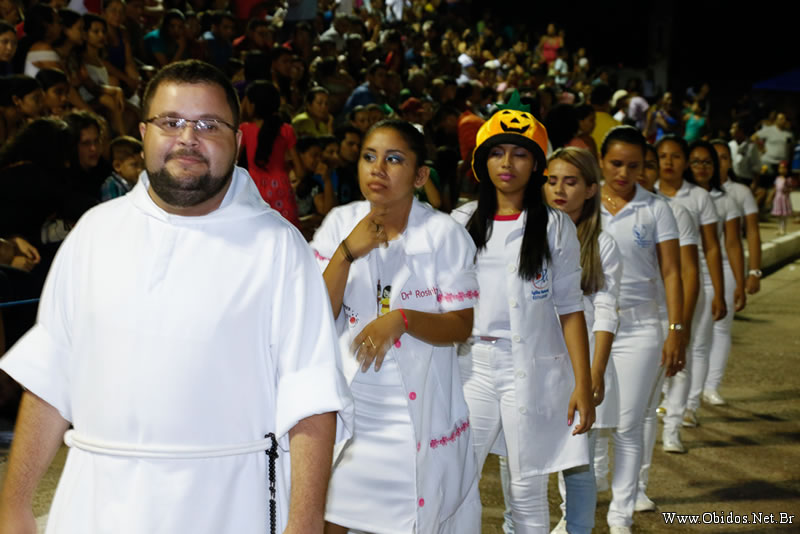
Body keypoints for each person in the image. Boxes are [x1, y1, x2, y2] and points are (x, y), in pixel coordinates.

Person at [0, 59, 353, 534]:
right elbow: (50, 378)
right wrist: (15, 503)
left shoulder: (277, 246)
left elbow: (311, 396)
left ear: (239, 140)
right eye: (171, 122)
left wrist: (305, 524)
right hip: (98, 501)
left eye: (209, 124)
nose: (188, 138)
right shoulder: (95, 233)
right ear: (143, 132)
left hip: (230, 501)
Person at [311, 119, 481, 534]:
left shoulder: (444, 234)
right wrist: (347, 253)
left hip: (411, 421)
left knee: (411, 521)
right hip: (353, 413)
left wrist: (402, 320)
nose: (377, 169)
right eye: (369, 157)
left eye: (394, 159)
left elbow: (461, 325)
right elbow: (313, 315)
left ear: (421, 176)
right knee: (330, 517)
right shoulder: (340, 222)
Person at [451, 100, 594, 532]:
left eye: (519, 153)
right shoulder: (459, 223)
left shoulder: (554, 226)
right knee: (453, 477)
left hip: (527, 370)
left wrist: (583, 385)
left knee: (526, 487)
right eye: (496, 152)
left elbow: (570, 310)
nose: (506, 163)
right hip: (470, 368)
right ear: (481, 162)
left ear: (536, 164)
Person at [599, 126, 684, 534]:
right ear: (601, 162)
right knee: (588, 422)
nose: (623, 172)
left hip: (640, 328)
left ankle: (620, 515)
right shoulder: (580, 202)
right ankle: (573, 510)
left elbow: (671, 270)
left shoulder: (656, 208)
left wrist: (676, 329)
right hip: (591, 326)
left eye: (633, 165)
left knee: (629, 424)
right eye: (616, 163)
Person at [544, 147, 622, 534]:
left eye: (570, 182)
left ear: (591, 189)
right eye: (551, 180)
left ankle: (577, 527)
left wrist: (593, 372)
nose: (559, 189)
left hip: (580, 360)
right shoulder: (528, 235)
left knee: (579, 460)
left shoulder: (601, 243)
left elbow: (607, 309)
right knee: (524, 459)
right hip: (535, 361)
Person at [655, 134, 726, 448]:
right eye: (662, 156)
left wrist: (719, 289)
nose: (668, 163)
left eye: (675, 157)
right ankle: (661, 403)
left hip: (686, 282)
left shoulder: (697, 197)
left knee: (684, 348)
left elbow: (711, 248)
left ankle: (678, 417)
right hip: (651, 289)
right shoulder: (647, 196)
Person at [684, 140, 745, 420]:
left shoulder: (727, 200)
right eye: (695, 161)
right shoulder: (669, 195)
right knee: (674, 340)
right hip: (675, 278)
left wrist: (739, 282)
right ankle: (670, 397)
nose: (702, 167)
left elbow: (730, 244)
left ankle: (690, 405)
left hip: (710, 276)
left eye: (708, 162)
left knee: (699, 341)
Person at [238, 80, 303, 229]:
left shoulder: (245, 130)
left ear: (252, 105)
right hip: (282, 190)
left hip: (254, 191)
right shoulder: (286, 129)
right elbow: (300, 171)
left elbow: (232, 163)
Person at [712, 139, 762, 299]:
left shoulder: (742, 192)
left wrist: (754, 271)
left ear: (731, 162)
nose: (718, 162)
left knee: (721, 321)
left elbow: (753, 232)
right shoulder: (694, 192)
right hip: (695, 265)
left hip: (728, 265)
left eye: (724, 158)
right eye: (714, 157)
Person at [100, 134, 143, 201]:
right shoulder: (111, 185)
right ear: (117, 166)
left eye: (142, 165)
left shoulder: (134, 183)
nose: (140, 170)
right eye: (134, 165)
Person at [771, 160, 793, 235]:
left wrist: (786, 189)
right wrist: (771, 197)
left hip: (784, 199)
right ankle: (779, 228)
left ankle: (783, 228)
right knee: (778, 215)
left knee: (784, 215)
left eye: (784, 168)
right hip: (778, 198)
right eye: (780, 168)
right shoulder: (777, 179)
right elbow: (774, 189)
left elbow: (790, 189)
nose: (782, 170)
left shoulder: (788, 179)